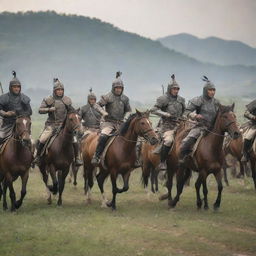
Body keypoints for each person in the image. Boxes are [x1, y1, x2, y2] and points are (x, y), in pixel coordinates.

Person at [33, 78, 82, 166]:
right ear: (54, 90)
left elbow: (71, 110)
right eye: (58, 90)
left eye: (61, 90)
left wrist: (76, 112)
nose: (60, 91)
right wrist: (49, 109)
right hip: (51, 125)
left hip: (63, 126)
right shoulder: (48, 99)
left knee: (74, 140)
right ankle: (38, 157)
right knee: (43, 139)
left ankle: (77, 158)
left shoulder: (67, 100)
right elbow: (40, 110)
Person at [91, 72, 132, 166]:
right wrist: (103, 112)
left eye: (120, 88)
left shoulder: (125, 99)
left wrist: (126, 117)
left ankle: (134, 159)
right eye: (117, 88)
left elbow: (129, 110)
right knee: (103, 136)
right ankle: (96, 156)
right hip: (108, 123)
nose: (118, 90)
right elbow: (96, 105)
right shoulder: (108, 96)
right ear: (113, 88)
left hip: (121, 123)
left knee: (132, 137)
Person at [179, 76, 220, 165]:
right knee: (186, 142)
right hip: (200, 127)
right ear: (205, 90)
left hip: (213, 129)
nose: (212, 92)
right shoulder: (198, 100)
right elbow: (186, 112)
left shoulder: (216, 102)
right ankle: (182, 159)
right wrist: (195, 115)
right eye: (210, 90)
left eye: (214, 90)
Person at [151, 74, 185, 170]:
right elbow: (153, 110)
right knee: (169, 140)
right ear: (170, 89)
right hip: (167, 127)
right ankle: (162, 162)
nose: (176, 91)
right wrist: (165, 114)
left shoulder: (181, 100)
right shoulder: (163, 98)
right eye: (174, 89)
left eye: (177, 89)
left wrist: (186, 117)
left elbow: (184, 112)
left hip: (180, 125)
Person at [0, 71, 32, 145]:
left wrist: (19, 113)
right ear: (10, 87)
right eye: (14, 87)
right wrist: (5, 114)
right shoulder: (4, 98)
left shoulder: (24, 98)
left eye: (18, 87)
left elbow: (29, 111)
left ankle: (35, 156)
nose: (16, 88)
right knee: (0, 137)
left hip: (21, 124)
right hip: (7, 124)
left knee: (29, 142)